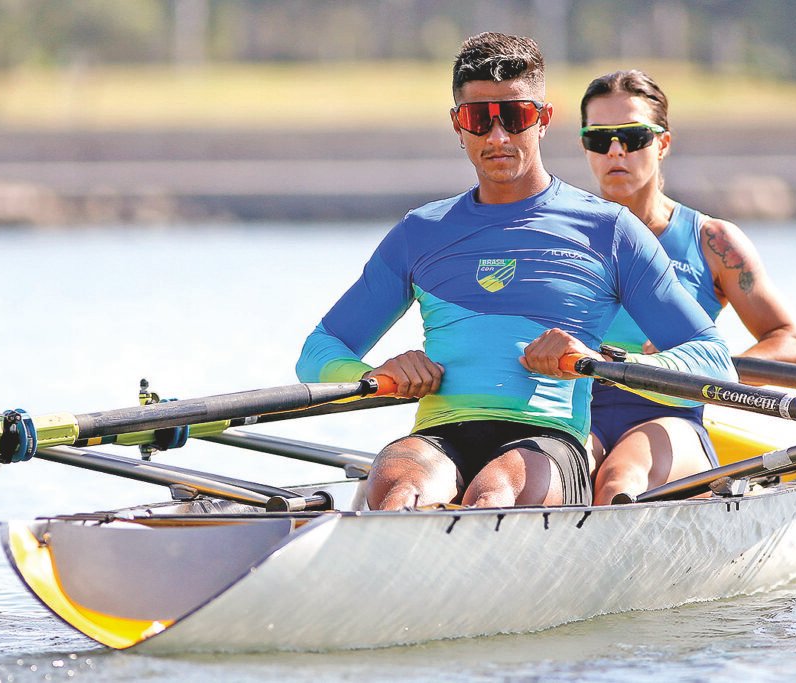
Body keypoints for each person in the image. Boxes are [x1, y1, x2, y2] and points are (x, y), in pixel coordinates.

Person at [296, 33, 735, 511]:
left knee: (495, 492)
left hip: (548, 439)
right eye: (479, 119)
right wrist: (376, 372)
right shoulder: (420, 232)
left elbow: (713, 360)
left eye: (516, 117)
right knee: (398, 486)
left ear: (543, 120)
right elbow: (318, 352)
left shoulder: (610, 230)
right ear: (457, 125)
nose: (498, 136)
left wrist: (604, 362)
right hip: (441, 433)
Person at [578, 69, 796, 504]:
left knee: (617, 481)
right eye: (599, 138)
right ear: (585, 146)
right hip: (575, 413)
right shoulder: (559, 239)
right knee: (555, 479)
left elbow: (791, 342)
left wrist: (696, 368)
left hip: (670, 416)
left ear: (662, 144)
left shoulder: (713, 242)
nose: (615, 151)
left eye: (632, 136)